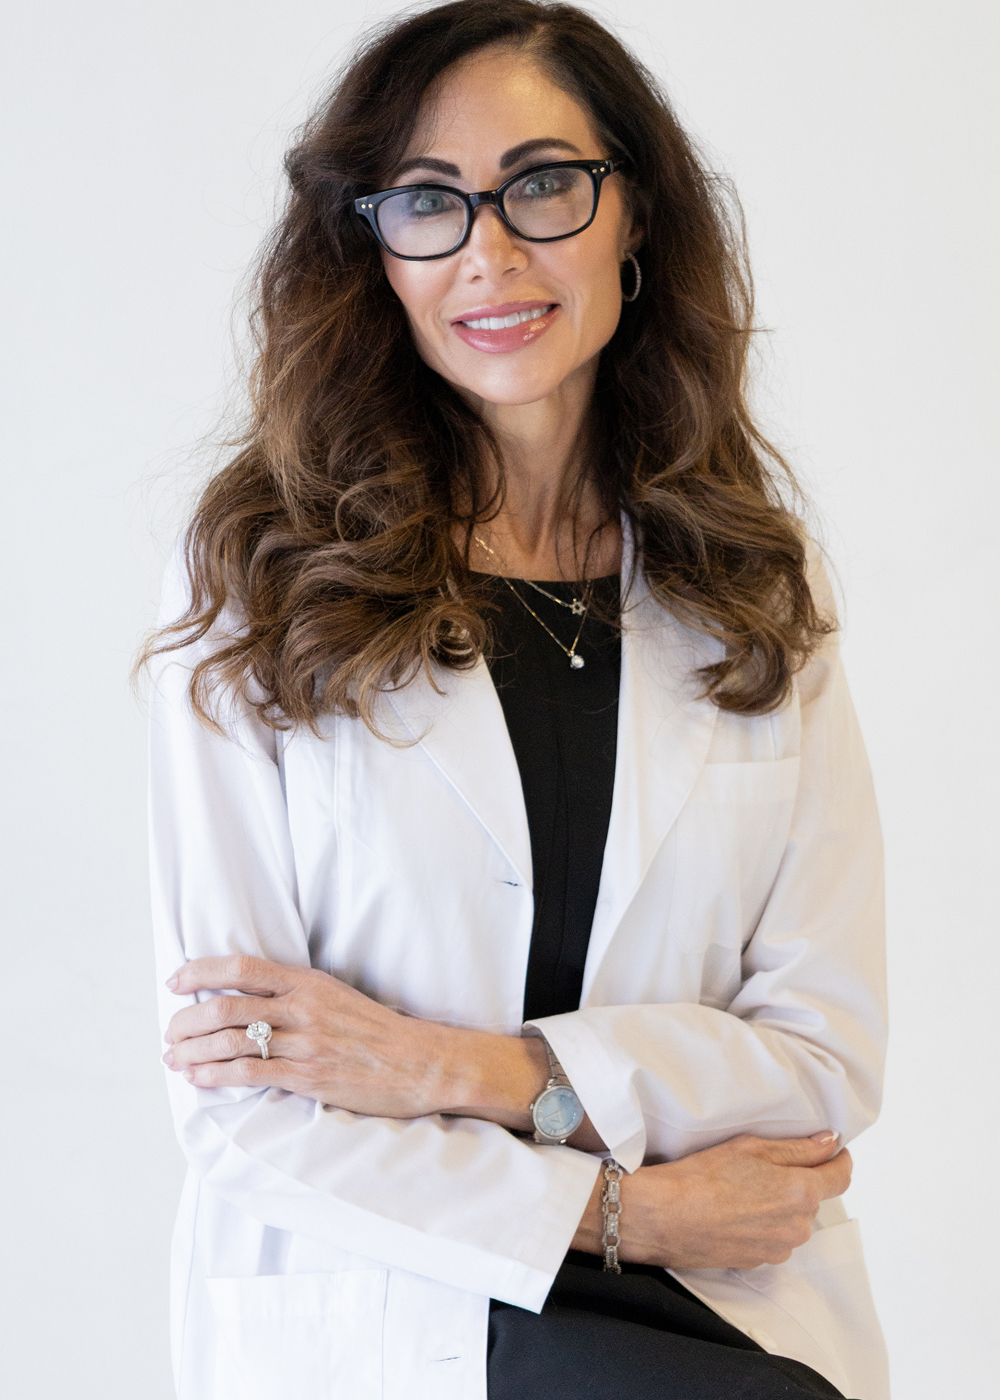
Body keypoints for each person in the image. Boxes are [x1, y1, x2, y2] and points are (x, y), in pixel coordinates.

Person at [135, 2, 890, 1397]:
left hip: (722, 1314)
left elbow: (820, 1063)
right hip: (394, 1301)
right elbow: (242, 1102)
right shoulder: (264, 581)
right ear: (371, 248)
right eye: (426, 201)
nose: (487, 250)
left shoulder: (752, 589)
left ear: (635, 219)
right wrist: (624, 1212)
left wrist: (470, 1071)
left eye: (542, 184)